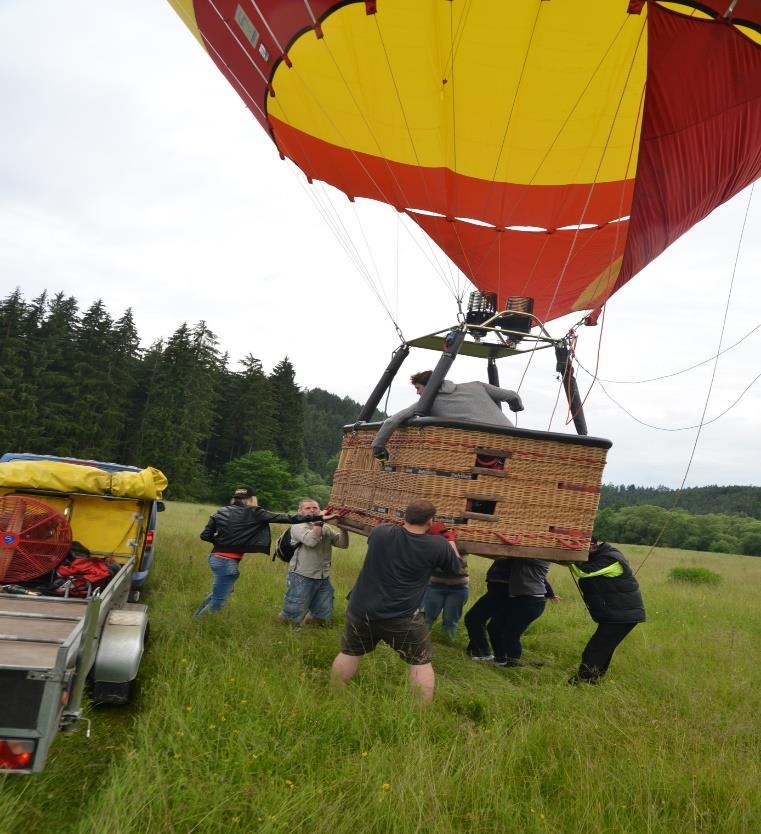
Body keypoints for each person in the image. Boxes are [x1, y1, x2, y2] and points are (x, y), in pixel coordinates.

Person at [331, 500, 463, 704]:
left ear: (405, 517)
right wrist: (449, 540)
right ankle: (421, 713)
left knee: (350, 652)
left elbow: (395, 532)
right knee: (421, 661)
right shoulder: (438, 545)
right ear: (430, 521)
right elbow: (456, 568)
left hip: (360, 608)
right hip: (400, 615)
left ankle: (334, 694)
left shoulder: (381, 532)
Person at [194, 486, 326, 616]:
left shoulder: (220, 511)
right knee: (219, 601)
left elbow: (205, 535)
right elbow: (286, 518)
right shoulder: (255, 512)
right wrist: (317, 517)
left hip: (215, 558)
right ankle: (198, 624)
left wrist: (223, 544)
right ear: (252, 499)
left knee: (221, 592)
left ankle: (195, 617)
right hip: (226, 563)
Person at [372, 370, 524, 460]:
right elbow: (512, 396)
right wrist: (516, 407)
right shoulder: (477, 385)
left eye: (418, 388)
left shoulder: (428, 402)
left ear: (430, 386)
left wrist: (378, 446)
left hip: (482, 446)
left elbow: (393, 421)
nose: (417, 393)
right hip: (514, 441)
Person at [568, 539, 645, 684]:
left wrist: (567, 557)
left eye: (581, 549)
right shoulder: (601, 555)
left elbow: (583, 572)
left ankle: (582, 682)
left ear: (593, 546)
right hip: (618, 614)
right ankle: (594, 679)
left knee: (594, 650)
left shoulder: (611, 559)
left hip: (622, 615)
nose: (580, 553)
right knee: (603, 649)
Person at [465, 558, 558, 664]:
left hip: (520, 597)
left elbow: (533, 568)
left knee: (507, 633)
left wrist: (549, 592)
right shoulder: (524, 559)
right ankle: (498, 659)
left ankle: (508, 662)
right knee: (493, 627)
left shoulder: (527, 557)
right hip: (513, 596)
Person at [277, 498, 349, 626]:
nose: (312, 510)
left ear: (320, 510)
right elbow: (311, 541)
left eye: (315, 508)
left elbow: (342, 544)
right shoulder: (298, 526)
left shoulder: (325, 528)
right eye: (308, 508)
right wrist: (319, 522)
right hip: (301, 575)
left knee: (321, 612)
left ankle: (311, 630)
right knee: (293, 610)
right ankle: (282, 631)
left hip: (322, 576)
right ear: (300, 511)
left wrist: (343, 527)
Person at [421, 522, 469, 640]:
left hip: (458, 588)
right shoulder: (429, 543)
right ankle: (419, 641)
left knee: (450, 621)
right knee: (427, 618)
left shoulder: (461, 539)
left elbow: (458, 564)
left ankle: (447, 643)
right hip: (435, 586)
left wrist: (450, 541)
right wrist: (449, 540)